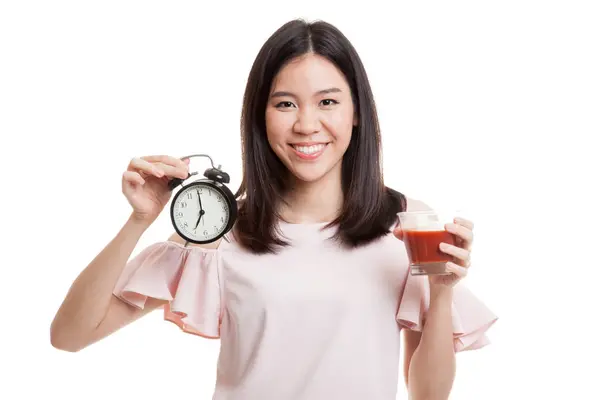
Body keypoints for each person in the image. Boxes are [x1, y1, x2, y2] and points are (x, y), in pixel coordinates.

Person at [50, 18, 497, 400]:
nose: (306, 124)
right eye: (285, 103)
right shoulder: (220, 231)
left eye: (328, 102)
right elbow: (69, 336)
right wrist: (139, 220)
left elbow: (427, 393)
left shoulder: (403, 225)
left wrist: (440, 293)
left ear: (356, 111)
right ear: (260, 116)